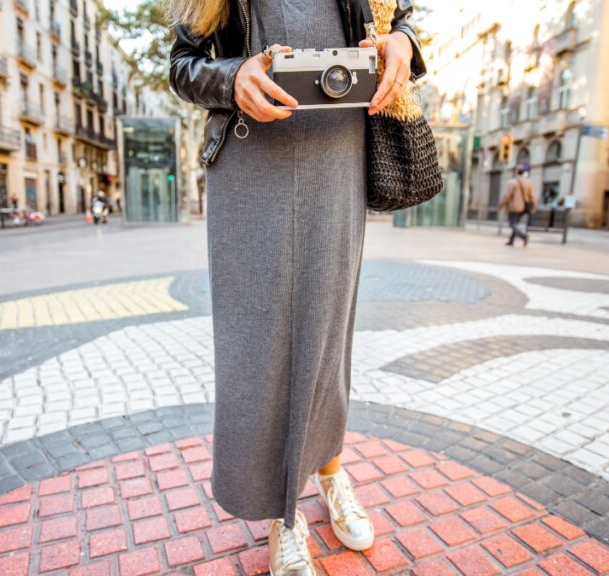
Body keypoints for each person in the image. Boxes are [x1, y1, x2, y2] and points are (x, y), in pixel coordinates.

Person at [170, 1, 425, 574]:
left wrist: (402, 43)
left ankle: (330, 472)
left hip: (340, 157)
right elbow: (182, 64)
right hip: (250, 159)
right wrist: (233, 76)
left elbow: (401, 16)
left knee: (328, 333)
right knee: (256, 348)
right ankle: (281, 515)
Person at [498, 165, 536, 247]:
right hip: (524, 207)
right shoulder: (528, 182)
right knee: (515, 223)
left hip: (514, 207)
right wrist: (533, 207)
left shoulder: (513, 182)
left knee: (512, 224)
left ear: (516, 173)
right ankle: (511, 241)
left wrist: (500, 205)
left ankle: (523, 236)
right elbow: (532, 196)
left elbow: (507, 196)